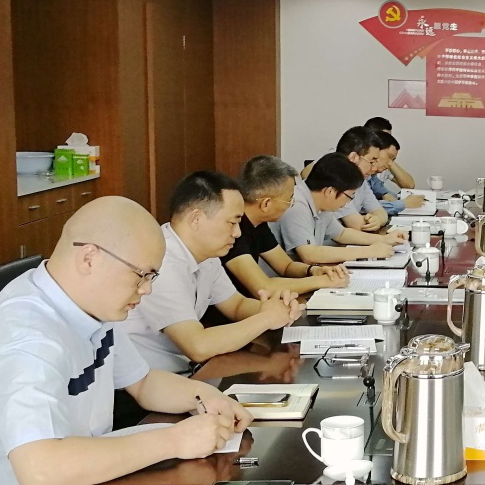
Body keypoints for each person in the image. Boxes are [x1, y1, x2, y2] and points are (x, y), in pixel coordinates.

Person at [0, 196, 252, 485]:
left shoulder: (89, 304)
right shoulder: (27, 337)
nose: (146, 290)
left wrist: (207, 397)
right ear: (89, 258)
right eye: (142, 275)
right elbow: (40, 470)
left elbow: (143, 382)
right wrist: (174, 440)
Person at [124, 171, 304, 373]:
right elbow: (198, 346)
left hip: (183, 371)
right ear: (196, 219)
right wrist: (267, 318)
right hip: (146, 382)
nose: (237, 233)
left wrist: (277, 309)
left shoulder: (207, 256)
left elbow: (236, 305)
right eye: (232, 222)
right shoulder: (161, 261)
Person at [222, 155, 353, 297]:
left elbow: (286, 266)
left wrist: (314, 270)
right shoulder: (232, 231)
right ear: (266, 204)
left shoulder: (258, 224)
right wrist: (323, 281)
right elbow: (264, 287)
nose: (291, 205)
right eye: (289, 199)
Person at [275, 153, 396, 265]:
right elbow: (309, 254)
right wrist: (368, 252)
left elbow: (341, 234)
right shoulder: (296, 204)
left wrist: (384, 239)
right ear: (330, 191)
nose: (349, 202)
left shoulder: (320, 202)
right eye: (350, 196)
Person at [364, 115, 417, 191]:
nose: (388, 141)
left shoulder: (384, 163)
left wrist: (389, 159)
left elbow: (409, 185)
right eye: (383, 137)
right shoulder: (359, 163)